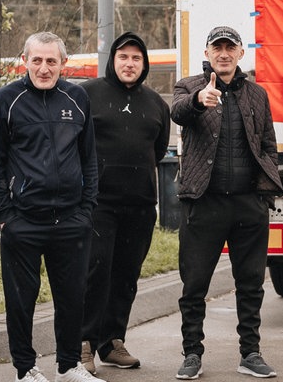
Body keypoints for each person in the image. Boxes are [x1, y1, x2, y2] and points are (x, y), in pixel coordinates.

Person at [0, 32, 105, 382]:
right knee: (21, 302)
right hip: (23, 221)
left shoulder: (77, 97)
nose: (44, 68)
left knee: (72, 299)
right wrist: (6, 215)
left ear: (63, 64)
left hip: (71, 220)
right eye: (37, 60)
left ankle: (68, 365)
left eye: (52, 61)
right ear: (24, 60)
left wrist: (86, 209)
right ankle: (25, 369)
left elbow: (89, 159)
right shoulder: (5, 100)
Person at [171, 26, 283, 379]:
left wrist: (264, 190)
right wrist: (197, 102)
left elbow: (268, 143)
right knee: (195, 284)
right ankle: (192, 354)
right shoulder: (190, 87)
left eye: (229, 48)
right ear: (207, 53)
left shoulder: (257, 94)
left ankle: (250, 353)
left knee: (250, 283)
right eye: (216, 48)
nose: (223, 54)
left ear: (240, 53)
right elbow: (177, 113)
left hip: (249, 204)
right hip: (204, 203)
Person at [79, 32, 170, 375]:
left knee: (127, 275)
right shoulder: (87, 95)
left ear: (144, 64)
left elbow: (157, 151)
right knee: (96, 270)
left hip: (141, 205)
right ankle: (84, 343)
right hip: (98, 204)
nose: (129, 63)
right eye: (123, 57)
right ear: (112, 61)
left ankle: (112, 341)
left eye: (136, 58)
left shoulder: (156, 104)